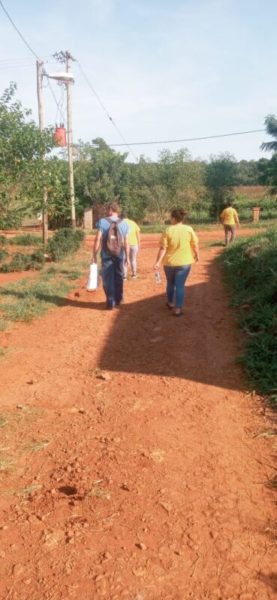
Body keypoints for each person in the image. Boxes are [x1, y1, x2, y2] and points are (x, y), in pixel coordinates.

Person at [154, 208, 199, 317]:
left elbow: (163, 248)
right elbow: (195, 244)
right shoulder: (189, 229)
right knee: (180, 286)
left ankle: (170, 303)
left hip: (169, 263)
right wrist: (197, 255)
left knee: (170, 283)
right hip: (184, 263)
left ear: (173, 218)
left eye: (171, 217)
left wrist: (157, 262)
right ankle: (178, 309)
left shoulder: (168, 230)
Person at [92, 202, 129, 309]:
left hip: (106, 254)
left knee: (108, 279)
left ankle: (110, 302)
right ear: (118, 211)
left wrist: (94, 254)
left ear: (110, 210)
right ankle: (119, 299)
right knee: (119, 276)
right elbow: (127, 242)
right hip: (119, 254)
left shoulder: (102, 222)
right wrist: (127, 257)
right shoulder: (124, 223)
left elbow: (98, 239)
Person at [122, 214, 141, 279]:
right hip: (134, 243)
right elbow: (138, 233)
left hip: (124, 244)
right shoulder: (133, 223)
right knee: (133, 259)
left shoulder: (120, 223)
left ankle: (124, 276)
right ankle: (134, 274)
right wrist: (139, 243)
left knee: (124, 259)